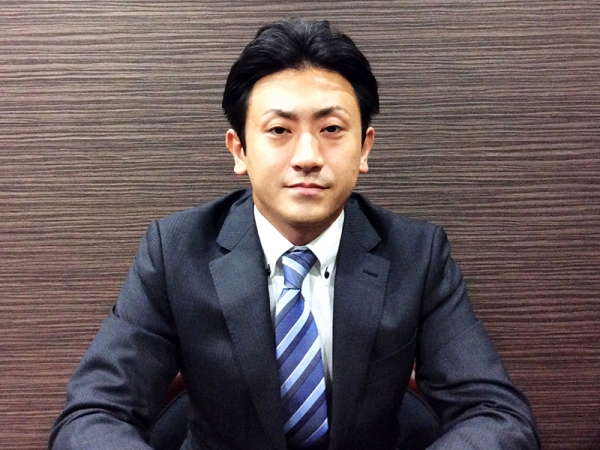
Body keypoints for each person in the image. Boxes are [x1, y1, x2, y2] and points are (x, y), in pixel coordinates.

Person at [49, 18, 540, 450]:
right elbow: (92, 415)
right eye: (279, 130)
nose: (308, 156)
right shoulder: (175, 252)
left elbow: (497, 415)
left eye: (332, 129)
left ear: (364, 148)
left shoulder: (418, 256)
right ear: (239, 150)